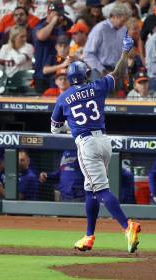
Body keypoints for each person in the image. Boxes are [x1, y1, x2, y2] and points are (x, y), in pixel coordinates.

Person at [49, 36, 141, 253]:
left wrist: (71, 127)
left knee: (100, 190)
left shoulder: (63, 97)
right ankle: (89, 236)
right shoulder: (97, 86)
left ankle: (127, 226)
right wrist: (124, 52)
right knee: (91, 190)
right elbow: (118, 73)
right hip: (104, 141)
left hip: (86, 143)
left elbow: (54, 128)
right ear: (85, 75)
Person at [83, 3, 129, 80]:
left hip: (117, 72)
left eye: (125, 21)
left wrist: (125, 71)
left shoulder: (123, 30)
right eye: (122, 21)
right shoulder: (100, 29)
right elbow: (88, 53)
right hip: (99, 71)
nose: (124, 24)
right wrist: (102, 70)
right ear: (114, 16)